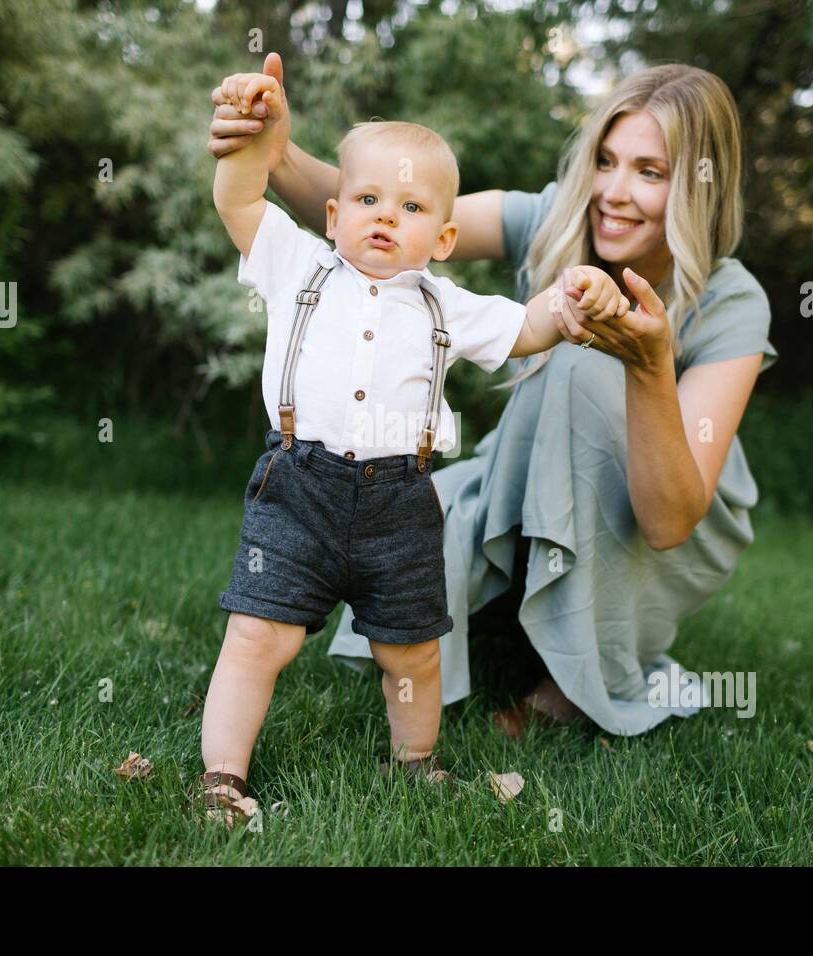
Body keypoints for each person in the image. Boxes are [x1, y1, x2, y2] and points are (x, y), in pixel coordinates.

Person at [209, 54, 778, 741]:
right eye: (605, 160)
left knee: (578, 361)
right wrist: (276, 151)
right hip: (532, 469)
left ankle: (570, 685)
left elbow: (669, 521)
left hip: (669, 514)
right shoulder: (553, 218)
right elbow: (395, 208)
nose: (613, 191)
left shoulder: (732, 300)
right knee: (417, 512)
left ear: (698, 184)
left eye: (649, 172)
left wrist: (652, 366)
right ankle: (482, 640)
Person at [195, 71, 629, 825]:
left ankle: (416, 764)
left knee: (413, 650)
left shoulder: (445, 304)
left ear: (445, 237)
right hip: (297, 489)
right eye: (367, 201)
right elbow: (237, 198)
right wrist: (249, 132)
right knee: (257, 632)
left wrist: (568, 303)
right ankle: (223, 778)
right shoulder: (300, 266)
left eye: (411, 206)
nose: (385, 217)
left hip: (400, 504)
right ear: (333, 216)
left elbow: (525, 329)